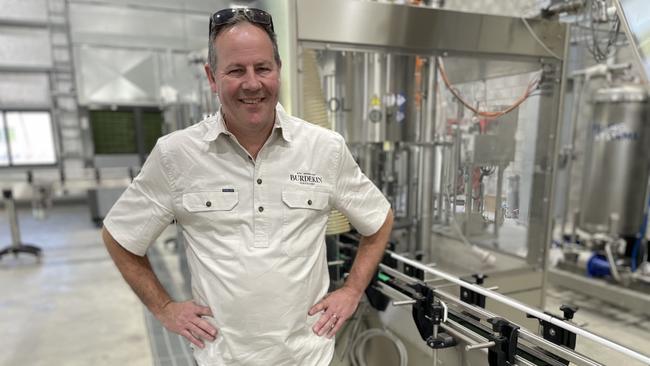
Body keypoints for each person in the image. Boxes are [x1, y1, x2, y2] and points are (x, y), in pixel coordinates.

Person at [102, 7, 393, 366]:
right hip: (220, 358)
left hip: (308, 356)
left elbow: (378, 220)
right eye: (236, 70)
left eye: (263, 68)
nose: (252, 83)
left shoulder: (324, 148)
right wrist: (163, 308)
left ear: (279, 69)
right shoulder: (176, 154)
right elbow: (119, 235)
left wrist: (351, 290)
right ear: (212, 77)